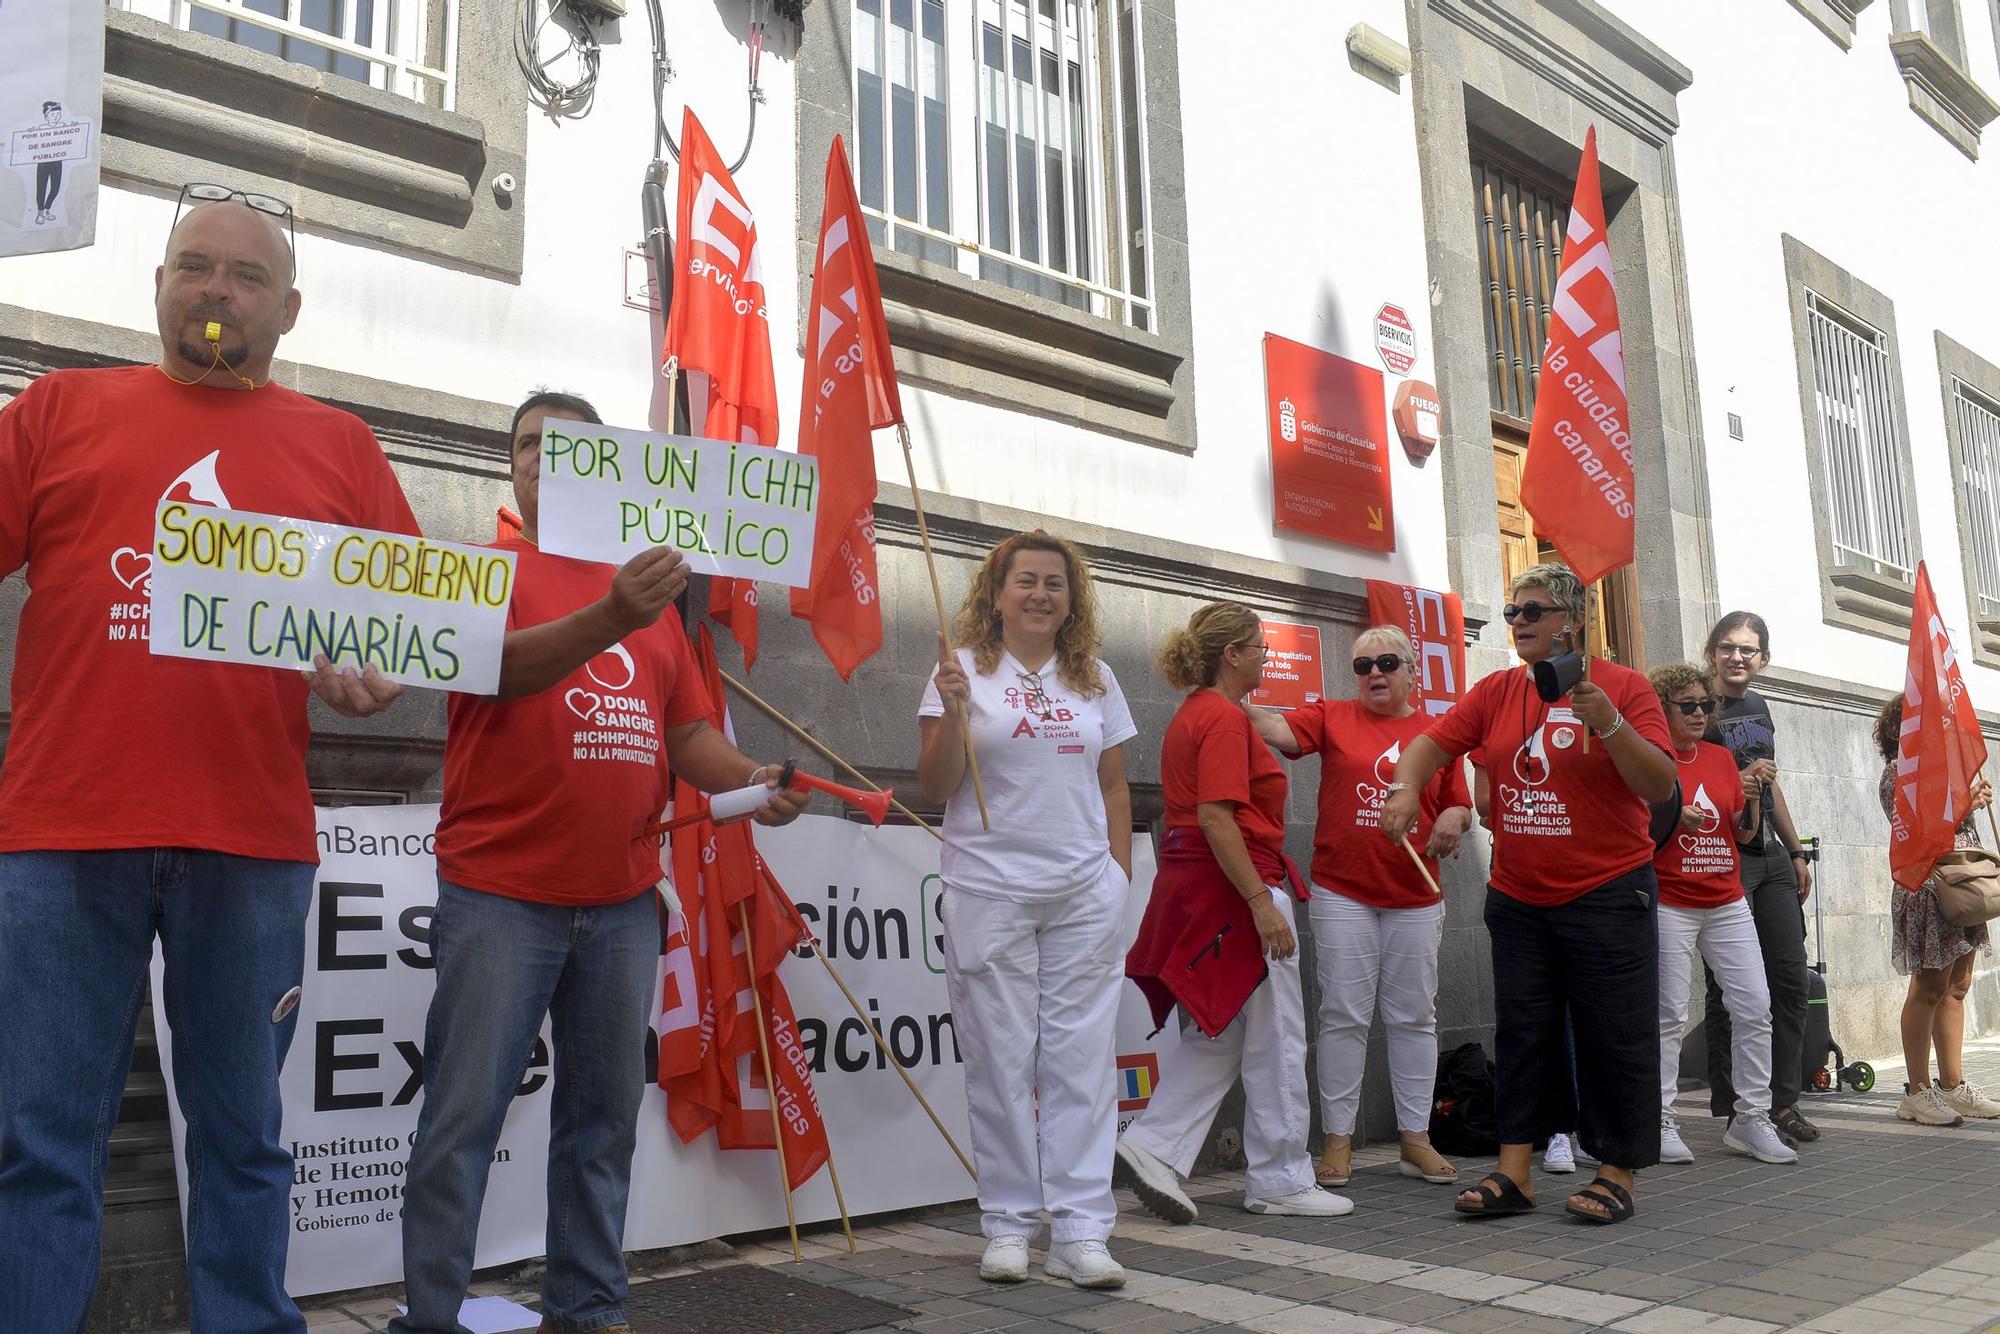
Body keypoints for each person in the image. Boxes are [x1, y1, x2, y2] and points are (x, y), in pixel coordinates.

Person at [0, 191, 418, 1332]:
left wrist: (364, 670)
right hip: (59, 832)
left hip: (250, 841)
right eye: (194, 266)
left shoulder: (342, 446)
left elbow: (403, 630)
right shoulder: (56, 409)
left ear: (287, 307)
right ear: (158, 285)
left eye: (242, 275)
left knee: (244, 1135)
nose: (216, 291)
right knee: (39, 1140)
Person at [389, 392, 810, 1334]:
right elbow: (500, 669)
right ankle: (430, 1318)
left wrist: (754, 780)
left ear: (605, 468)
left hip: (622, 904)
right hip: (501, 896)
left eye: (566, 445)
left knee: (601, 1127)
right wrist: (613, 612)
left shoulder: (654, 600)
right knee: (461, 1121)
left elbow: (690, 733)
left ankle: (588, 1310)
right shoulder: (482, 573)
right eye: (527, 445)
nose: (543, 458)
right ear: (510, 470)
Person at [1385, 563, 1675, 1225]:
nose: (1517, 623)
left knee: (1613, 1036)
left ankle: (1615, 1170)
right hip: (1519, 897)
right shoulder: (1495, 692)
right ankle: (1515, 1172)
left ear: (1572, 621)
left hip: (1606, 892)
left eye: (1533, 612)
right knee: (1523, 1034)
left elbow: (1659, 786)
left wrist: (1609, 723)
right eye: (1513, 612)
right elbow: (1430, 744)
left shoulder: (1623, 688)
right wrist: (1407, 787)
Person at [916, 531, 1137, 1290]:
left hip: (1082, 893)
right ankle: (1008, 1224)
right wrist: (950, 713)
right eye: (1027, 582)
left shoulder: (1097, 678)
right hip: (989, 889)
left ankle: (1081, 1230)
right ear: (997, 592)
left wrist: (1118, 879)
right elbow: (937, 783)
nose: (1041, 594)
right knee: (1001, 1060)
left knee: (1079, 1060)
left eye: (1056, 584)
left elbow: (1113, 788)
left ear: (1072, 600)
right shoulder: (960, 671)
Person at [1118, 602, 1351, 1223]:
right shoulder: (1222, 719)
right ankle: (1279, 1176)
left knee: (1225, 1029)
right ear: (1233, 654)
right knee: (1276, 1033)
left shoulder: (1199, 713)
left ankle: (1153, 1144)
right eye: (1258, 646)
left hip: (1208, 887)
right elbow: (1218, 817)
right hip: (1237, 889)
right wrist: (1259, 904)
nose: (1266, 655)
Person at [1248, 626, 1473, 1188]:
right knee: (1343, 1016)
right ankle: (1338, 1141)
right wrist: (1222, 691)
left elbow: (1462, 806)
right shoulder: (1332, 715)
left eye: (1388, 662)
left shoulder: (1437, 731)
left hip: (1417, 896)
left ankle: (1415, 1140)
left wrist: (1452, 818)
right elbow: (1276, 728)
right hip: (1342, 890)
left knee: (1415, 1018)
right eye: (1362, 665)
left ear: (1411, 671)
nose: (1375, 672)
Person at [1648, 662, 1796, 1166]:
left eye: (1704, 705)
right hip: (1671, 899)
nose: (1698, 713)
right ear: (1661, 708)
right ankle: (1660, 1119)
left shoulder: (1717, 757)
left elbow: (1745, 835)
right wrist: (1672, 814)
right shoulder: (1650, 758)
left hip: (1726, 899)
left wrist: (1751, 798)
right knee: (1668, 1014)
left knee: (1755, 1006)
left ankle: (1752, 1119)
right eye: (1686, 705)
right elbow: (1631, 828)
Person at [1700, 612, 1820, 1145]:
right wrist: (1734, 786)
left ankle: (1783, 1101)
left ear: (1763, 659)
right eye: (1727, 648)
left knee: (1791, 981)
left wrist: (1795, 851)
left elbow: (1771, 785)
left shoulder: (1759, 705)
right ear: (1712, 653)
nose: (1737, 658)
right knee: (1731, 986)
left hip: (1769, 854)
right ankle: (1736, 1110)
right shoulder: (1698, 705)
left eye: (1748, 650)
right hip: (1723, 853)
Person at [1872, 695, 2000, 1127]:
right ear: (1899, 732)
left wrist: (1967, 793)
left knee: (1958, 986)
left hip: (1963, 887)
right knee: (1927, 988)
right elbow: (1917, 833)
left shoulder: (1948, 772)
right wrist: (1965, 801)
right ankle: (1915, 1091)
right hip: (1928, 888)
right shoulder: (1897, 774)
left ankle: (1953, 1085)